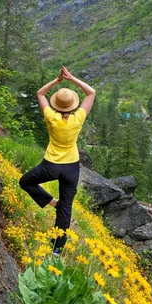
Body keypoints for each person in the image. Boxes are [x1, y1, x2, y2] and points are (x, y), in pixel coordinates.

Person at [19, 66, 96, 254]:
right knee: (66, 208)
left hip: (51, 165)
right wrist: (71, 78)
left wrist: (57, 80)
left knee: (25, 182)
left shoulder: (51, 117)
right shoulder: (78, 118)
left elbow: (40, 93)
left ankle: (51, 202)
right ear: (73, 105)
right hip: (71, 168)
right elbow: (91, 92)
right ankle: (57, 250)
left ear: (56, 105)